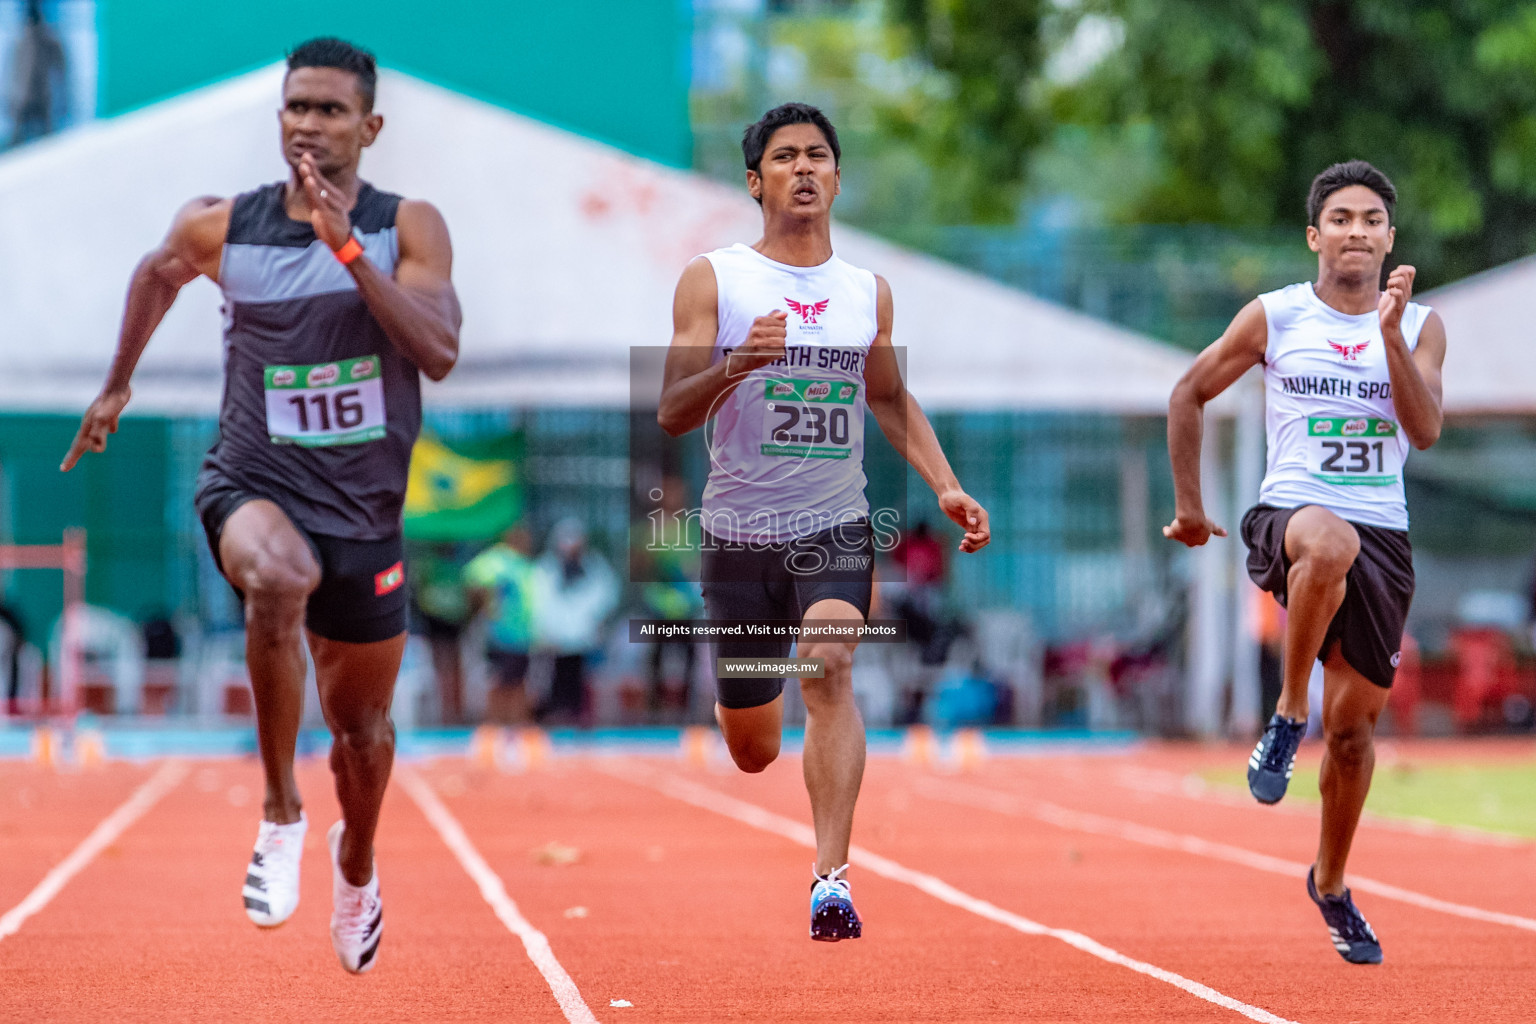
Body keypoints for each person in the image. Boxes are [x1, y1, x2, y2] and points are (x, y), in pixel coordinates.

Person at [61, 38, 460, 974]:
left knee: (362, 737)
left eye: (329, 110)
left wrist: (350, 251)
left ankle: (353, 861)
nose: (309, 125)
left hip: (365, 512)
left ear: (371, 126)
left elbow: (436, 349)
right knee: (277, 579)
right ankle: (280, 812)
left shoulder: (412, 227)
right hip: (252, 478)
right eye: (296, 108)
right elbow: (158, 271)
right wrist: (117, 386)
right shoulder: (221, 226)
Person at [658, 102, 990, 941]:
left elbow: (886, 396)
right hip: (737, 535)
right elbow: (669, 409)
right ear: (754, 180)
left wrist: (945, 485)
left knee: (831, 661)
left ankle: (831, 880)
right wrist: (741, 364)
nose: (803, 169)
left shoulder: (864, 294)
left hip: (834, 523)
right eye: (783, 157)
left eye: (817, 156)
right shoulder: (716, 279)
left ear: (838, 178)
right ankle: (756, 729)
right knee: (752, 748)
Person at [1165, 160, 1445, 964]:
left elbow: (1423, 431)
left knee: (1355, 737)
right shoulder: (1276, 316)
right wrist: (1190, 507)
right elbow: (1189, 391)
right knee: (1328, 541)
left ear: (1390, 238)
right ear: (1314, 236)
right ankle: (1289, 715)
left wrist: (1387, 333)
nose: (1357, 230)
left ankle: (1329, 882)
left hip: (1384, 537)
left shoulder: (1423, 325)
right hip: (1290, 518)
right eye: (1342, 218)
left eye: (1371, 220)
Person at [530, 519, 618, 724]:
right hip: (554, 642)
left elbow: (607, 597)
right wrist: (546, 631)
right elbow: (539, 602)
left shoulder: (595, 568)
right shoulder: (545, 569)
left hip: (583, 641)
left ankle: (579, 723)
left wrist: (594, 623)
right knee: (552, 686)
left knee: (582, 687)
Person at [463, 525, 538, 725]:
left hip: (521, 634)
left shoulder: (524, 564)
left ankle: (516, 722)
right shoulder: (498, 559)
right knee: (500, 681)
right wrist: (484, 605)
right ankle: (496, 723)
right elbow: (472, 578)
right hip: (500, 633)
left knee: (518, 681)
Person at [407, 542, 472, 724]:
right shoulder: (449, 566)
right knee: (449, 666)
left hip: (445, 618)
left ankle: (452, 711)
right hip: (443, 618)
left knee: (447, 666)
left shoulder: (442, 566)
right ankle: (450, 711)